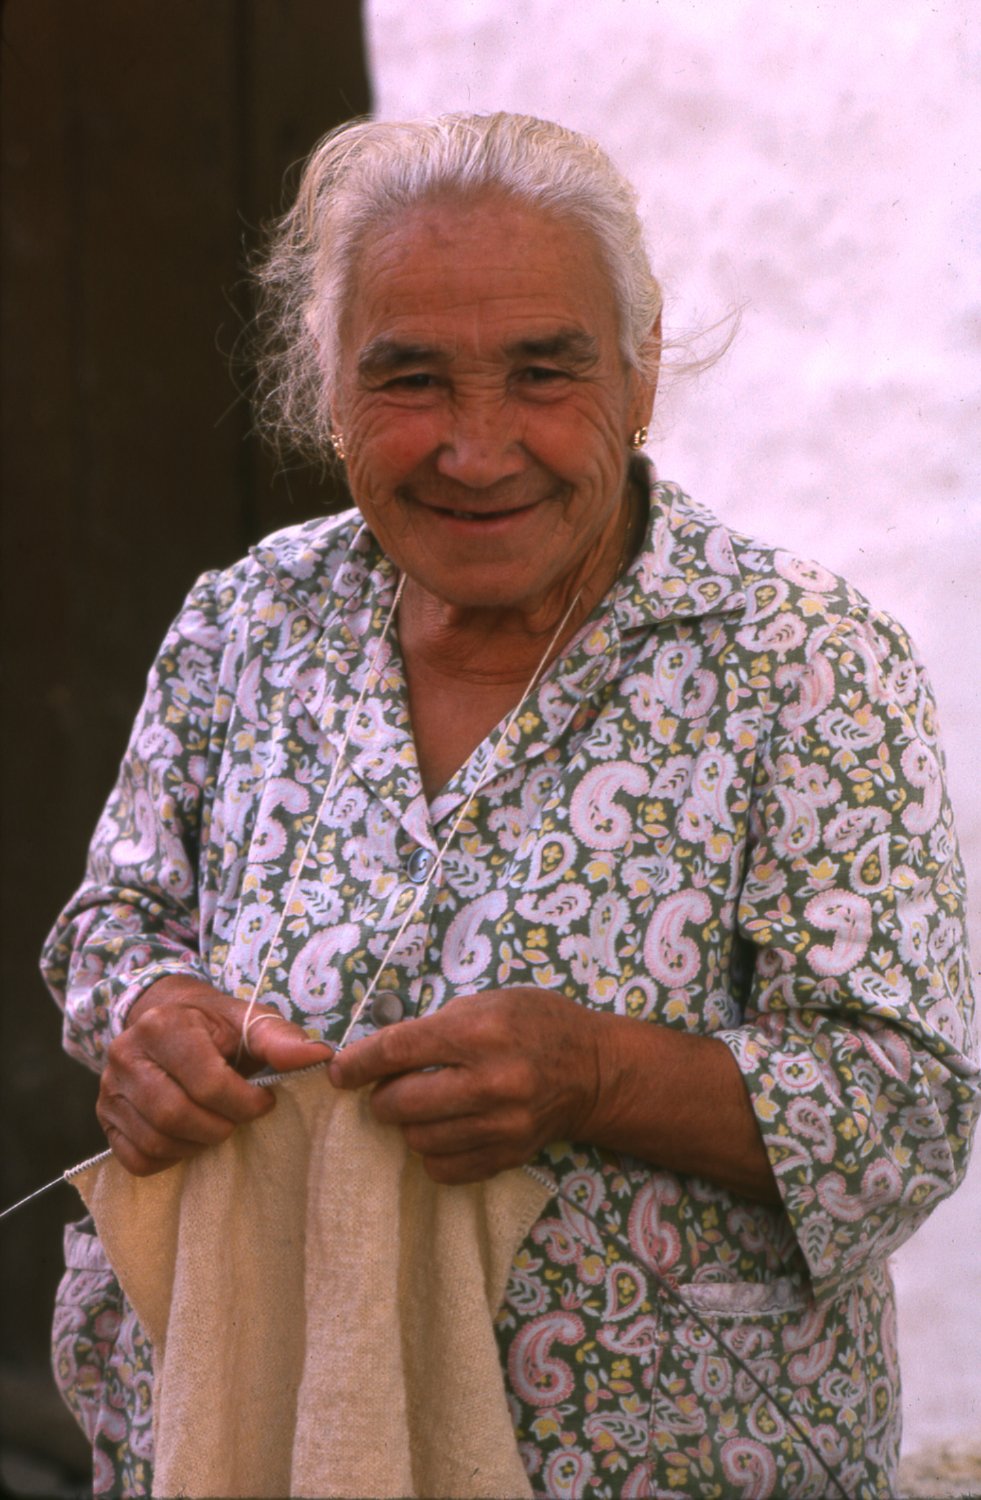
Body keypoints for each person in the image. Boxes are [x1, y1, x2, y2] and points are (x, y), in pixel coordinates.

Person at [43, 112, 977, 1500]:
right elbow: (114, 921)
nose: (476, 451)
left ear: (641, 367)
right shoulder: (251, 622)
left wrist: (593, 1072)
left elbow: (901, 1108)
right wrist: (153, 1018)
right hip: (261, 1435)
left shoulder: (798, 665)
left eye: (544, 373)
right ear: (329, 383)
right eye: (409, 378)